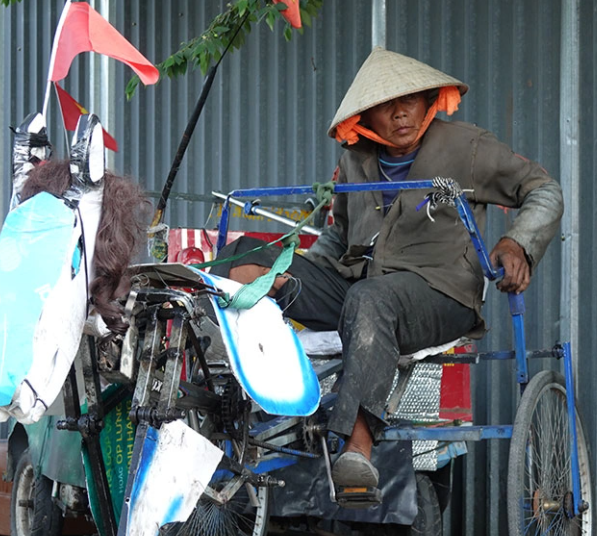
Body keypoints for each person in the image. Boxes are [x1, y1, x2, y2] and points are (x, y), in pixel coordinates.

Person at [216, 47, 563, 500]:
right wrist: (288, 275)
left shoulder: (468, 147)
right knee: (244, 254)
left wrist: (518, 242)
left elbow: (544, 189)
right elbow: (337, 239)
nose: (400, 113)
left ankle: (357, 447)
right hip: (364, 289)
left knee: (370, 298)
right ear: (366, 116)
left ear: (428, 101)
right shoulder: (355, 161)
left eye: (410, 101)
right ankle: (228, 394)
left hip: (440, 293)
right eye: (385, 105)